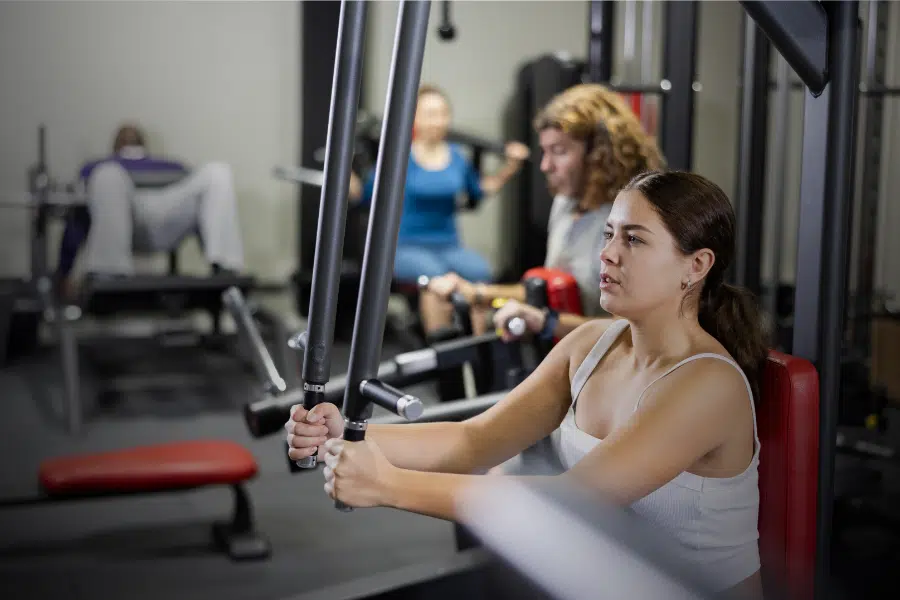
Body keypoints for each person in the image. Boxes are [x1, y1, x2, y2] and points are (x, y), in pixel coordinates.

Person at [286, 170, 768, 598]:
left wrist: (389, 485)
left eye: (635, 240)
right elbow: (474, 440)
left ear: (696, 265)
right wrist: (348, 433)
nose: (608, 254)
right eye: (608, 234)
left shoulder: (707, 384)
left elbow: (568, 502)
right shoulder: (590, 344)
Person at [422, 83, 665, 338]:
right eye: (544, 152)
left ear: (599, 155)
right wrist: (478, 294)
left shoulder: (632, 223)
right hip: (565, 353)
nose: (545, 166)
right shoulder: (565, 204)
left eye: (559, 151)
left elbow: (629, 333)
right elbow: (549, 291)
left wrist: (547, 323)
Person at [348, 84, 529, 328]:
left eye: (443, 114)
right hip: (406, 248)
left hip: (449, 246)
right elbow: (366, 196)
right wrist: (344, 168)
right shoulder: (397, 157)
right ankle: (441, 353)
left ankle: (476, 355)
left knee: (479, 272)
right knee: (436, 279)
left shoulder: (456, 157)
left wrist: (511, 167)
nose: (438, 121)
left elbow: (478, 190)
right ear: (415, 118)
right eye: (431, 114)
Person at [57, 123, 244, 290]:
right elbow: (77, 217)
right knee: (107, 175)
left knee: (218, 172)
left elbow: (207, 209)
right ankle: (109, 273)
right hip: (124, 218)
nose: (128, 134)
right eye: (124, 134)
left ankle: (224, 266)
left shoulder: (173, 166)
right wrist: (64, 271)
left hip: (168, 211)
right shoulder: (99, 168)